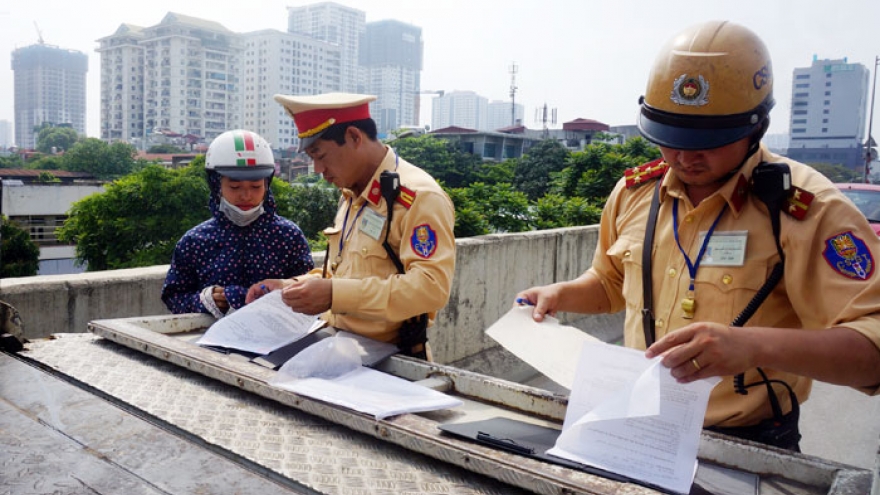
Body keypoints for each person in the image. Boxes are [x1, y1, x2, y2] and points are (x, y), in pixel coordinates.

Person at [516, 21, 880, 450]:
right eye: (670, 139)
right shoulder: (635, 194)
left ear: (756, 126)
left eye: (707, 141)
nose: (685, 157)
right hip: (636, 423)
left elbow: (872, 350)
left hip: (747, 444)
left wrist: (755, 346)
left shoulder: (806, 209)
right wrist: (563, 294)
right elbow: (612, 284)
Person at [245, 93, 456, 359]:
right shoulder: (352, 193)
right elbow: (345, 272)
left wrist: (335, 295)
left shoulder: (418, 197)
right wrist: (291, 286)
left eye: (320, 155)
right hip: (339, 346)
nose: (318, 168)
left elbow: (431, 288)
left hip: (393, 361)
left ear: (355, 137)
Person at [162, 129, 314, 317]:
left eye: (256, 187)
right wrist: (206, 300)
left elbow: (309, 289)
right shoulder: (194, 241)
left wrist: (263, 294)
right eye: (234, 187)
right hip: (209, 343)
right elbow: (173, 296)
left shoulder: (288, 236)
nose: (246, 195)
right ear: (217, 186)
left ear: (267, 185)